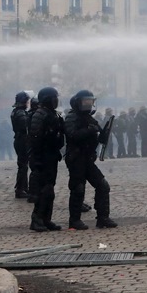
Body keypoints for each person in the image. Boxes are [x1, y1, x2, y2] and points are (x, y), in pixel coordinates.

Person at [64, 90, 117, 230]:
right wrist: (89, 131)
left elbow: (98, 136)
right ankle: (74, 221)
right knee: (78, 189)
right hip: (76, 158)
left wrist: (103, 134)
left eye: (90, 101)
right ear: (78, 102)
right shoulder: (72, 117)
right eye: (85, 101)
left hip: (87, 158)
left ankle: (103, 218)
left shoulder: (89, 118)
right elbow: (72, 135)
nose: (89, 104)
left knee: (103, 185)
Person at [28, 87, 64, 232]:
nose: (56, 101)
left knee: (50, 190)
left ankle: (46, 219)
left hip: (51, 156)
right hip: (42, 157)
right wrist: (37, 160)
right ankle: (36, 219)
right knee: (43, 190)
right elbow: (36, 139)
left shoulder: (51, 114)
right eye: (54, 98)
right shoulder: (39, 115)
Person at [11, 92, 30, 199]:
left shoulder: (16, 111)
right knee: (23, 166)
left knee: (23, 165)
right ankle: (20, 189)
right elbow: (25, 125)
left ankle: (23, 188)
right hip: (22, 140)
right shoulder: (20, 113)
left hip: (19, 139)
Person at [26, 97, 39, 203]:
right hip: (35, 146)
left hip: (32, 145)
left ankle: (34, 193)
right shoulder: (34, 116)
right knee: (36, 171)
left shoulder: (31, 114)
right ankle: (33, 193)